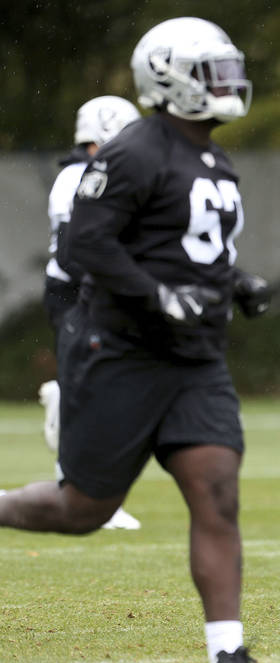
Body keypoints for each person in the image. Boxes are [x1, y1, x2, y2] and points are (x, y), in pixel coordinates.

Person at [0, 18, 280, 663]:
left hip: (195, 361)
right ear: (169, 79)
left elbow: (194, 250)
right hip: (123, 354)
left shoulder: (216, 160)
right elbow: (84, 245)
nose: (226, 83)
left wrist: (235, 281)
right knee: (84, 509)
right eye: (210, 71)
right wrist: (157, 295)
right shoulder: (132, 150)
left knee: (216, 491)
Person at [39, 95, 143, 531]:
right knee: (92, 392)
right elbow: (70, 254)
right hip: (75, 294)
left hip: (101, 293)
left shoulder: (116, 173)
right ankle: (81, 493)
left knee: (111, 391)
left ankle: (93, 494)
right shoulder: (75, 177)